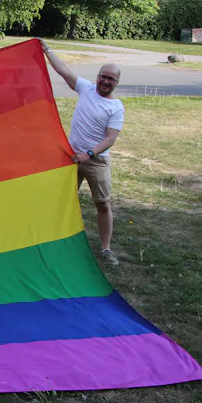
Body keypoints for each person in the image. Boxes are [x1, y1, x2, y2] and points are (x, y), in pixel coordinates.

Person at [40, 39, 124, 267]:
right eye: (103, 76)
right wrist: (46, 49)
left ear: (116, 82)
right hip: (70, 159)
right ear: (97, 77)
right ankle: (54, 242)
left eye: (111, 79)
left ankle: (106, 249)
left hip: (96, 162)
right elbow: (62, 70)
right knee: (62, 202)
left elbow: (110, 139)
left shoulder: (115, 107)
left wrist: (89, 153)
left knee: (103, 204)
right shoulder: (85, 88)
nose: (106, 81)